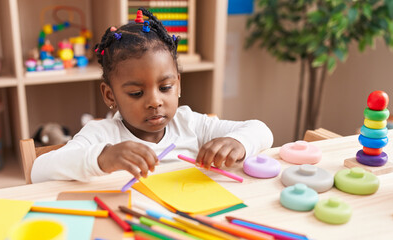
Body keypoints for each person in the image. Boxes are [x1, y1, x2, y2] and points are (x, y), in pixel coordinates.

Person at [31, 8, 273, 183]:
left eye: (165, 87)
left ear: (178, 84)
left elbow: (261, 130)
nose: (155, 101)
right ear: (109, 95)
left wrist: (238, 143)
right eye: (136, 93)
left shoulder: (190, 123)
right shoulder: (102, 135)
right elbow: (39, 170)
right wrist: (103, 158)